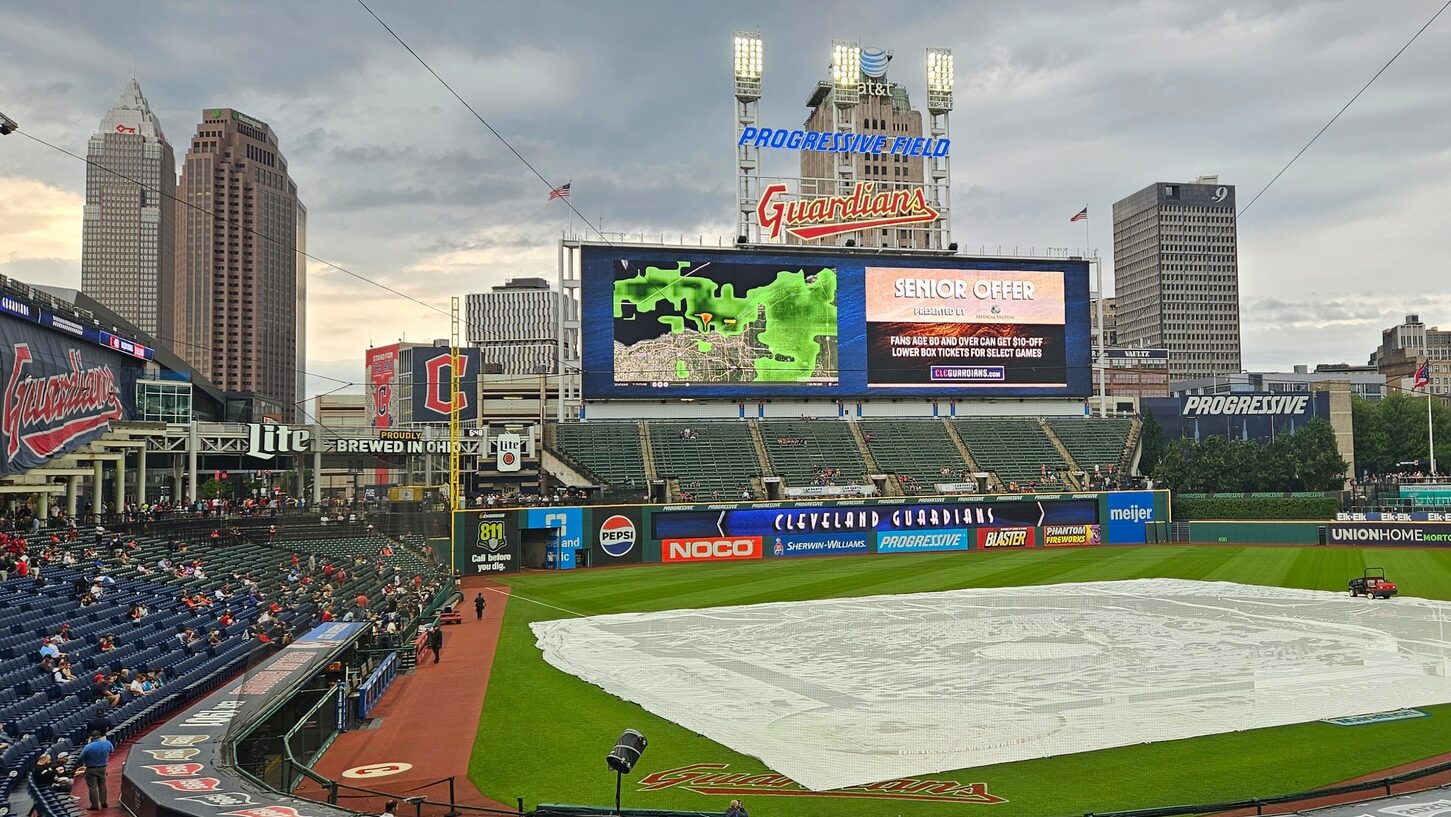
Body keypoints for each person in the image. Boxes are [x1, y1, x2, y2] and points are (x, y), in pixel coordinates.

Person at [78, 731, 115, 810]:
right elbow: (111, 751)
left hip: (91, 769)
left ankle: (94, 806)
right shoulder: (107, 743)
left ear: (91, 738)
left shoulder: (88, 747)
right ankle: (104, 802)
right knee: (102, 785)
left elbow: (80, 758)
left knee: (92, 787)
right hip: (103, 768)